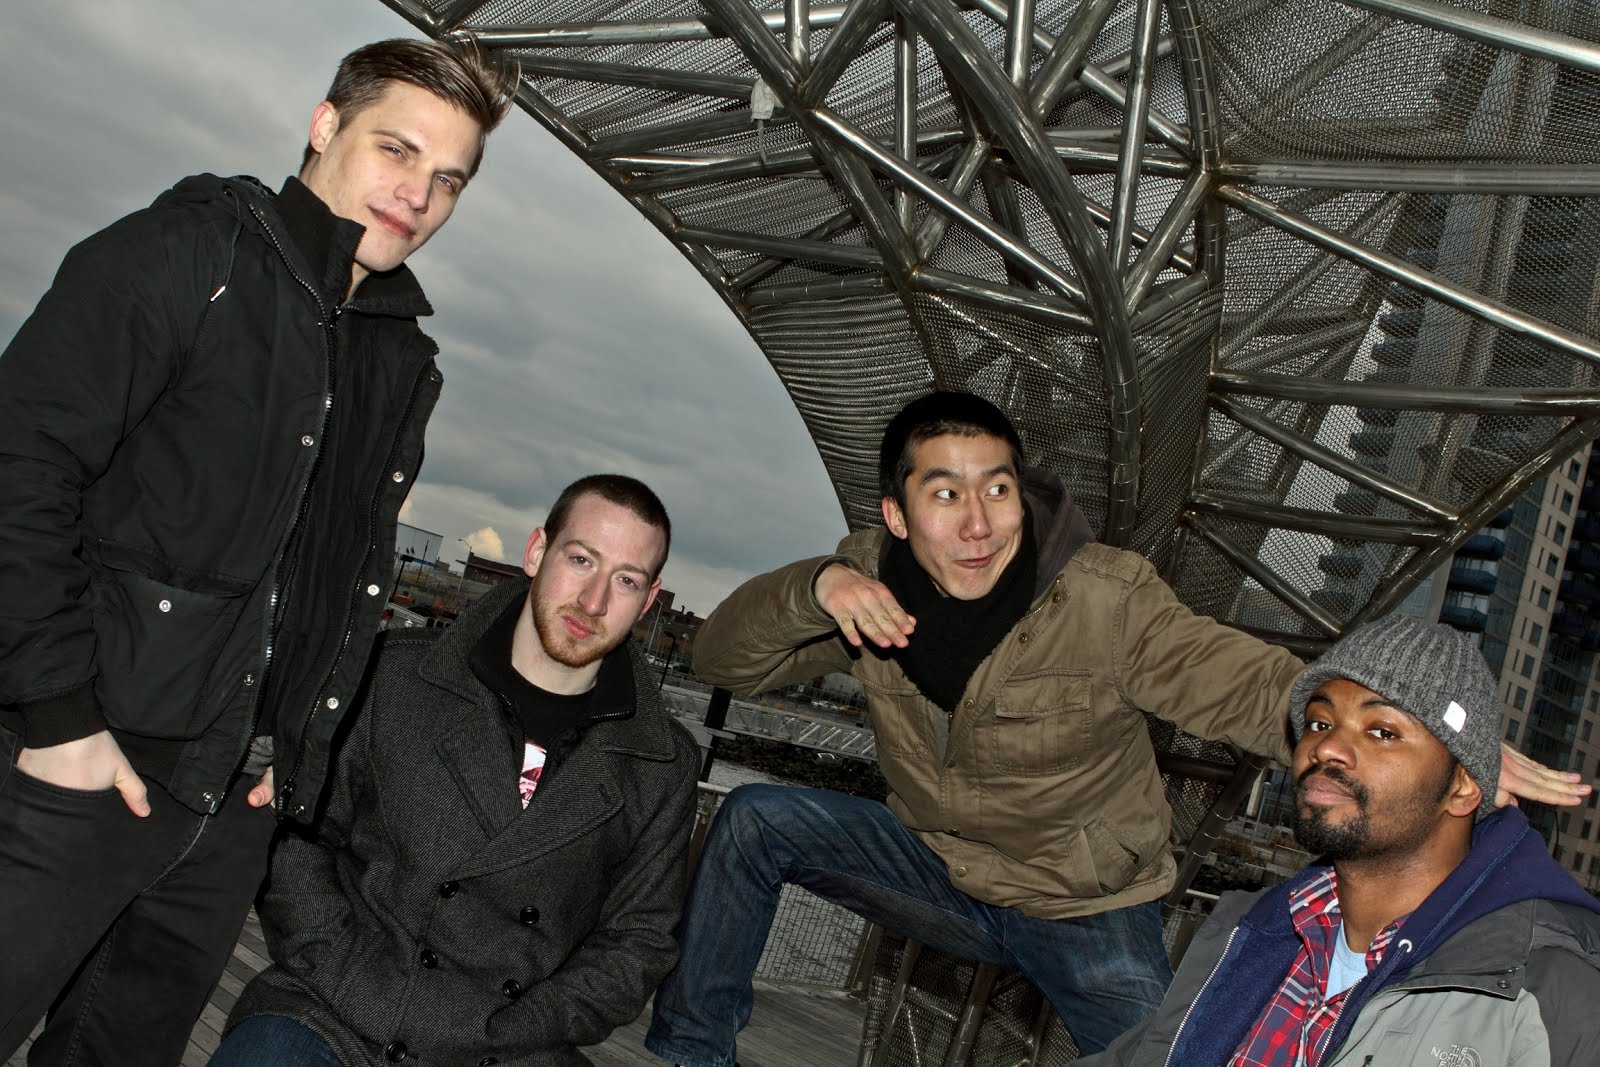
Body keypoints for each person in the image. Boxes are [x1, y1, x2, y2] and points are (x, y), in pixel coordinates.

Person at [643, 390, 1590, 1065]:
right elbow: (724, 659)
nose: (978, 524)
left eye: (997, 489)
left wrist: (1412, 731)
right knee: (755, 820)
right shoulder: (864, 590)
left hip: (1086, 905)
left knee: (1180, 1049)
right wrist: (815, 586)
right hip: (940, 867)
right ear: (896, 513)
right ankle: (690, 1051)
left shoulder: (1102, 597)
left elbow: (1231, 678)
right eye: (944, 494)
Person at [0, 38, 516, 1064]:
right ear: (325, 126)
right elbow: (18, 465)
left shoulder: (396, 352)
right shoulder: (187, 255)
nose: (419, 194)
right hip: (82, 757)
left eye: (449, 178)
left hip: (234, 796)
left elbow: (331, 574)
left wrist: (294, 756)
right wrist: (59, 718)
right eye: (397, 150)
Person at [211, 474, 700, 1066]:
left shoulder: (661, 765)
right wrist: (345, 972)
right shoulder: (392, 677)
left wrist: (522, 1026)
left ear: (648, 601)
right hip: (334, 1009)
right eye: (581, 560)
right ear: (537, 552)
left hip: (508, 1046)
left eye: (626, 580)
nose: (594, 602)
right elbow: (299, 836)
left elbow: (636, 942)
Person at [1079, 614, 1600, 1066]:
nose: (1326, 747)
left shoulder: (1552, 986)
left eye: (1382, 732)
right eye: (1318, 722)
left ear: (1462, 787)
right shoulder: (1256, 934)